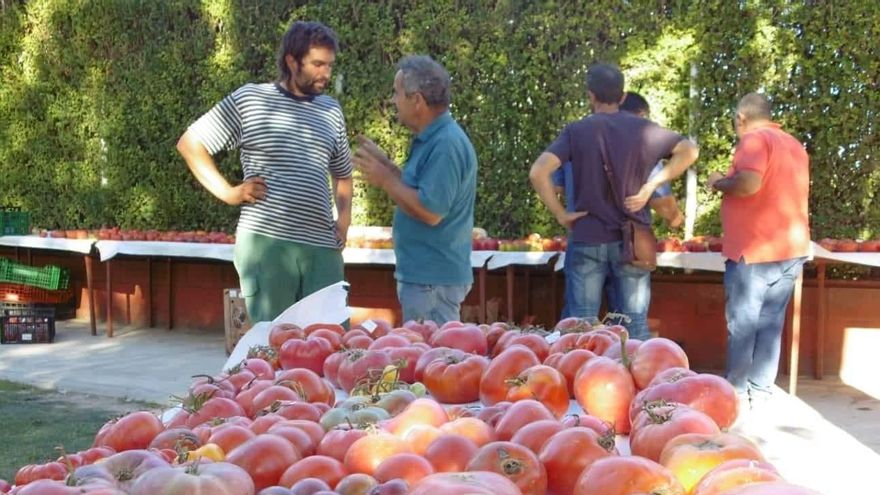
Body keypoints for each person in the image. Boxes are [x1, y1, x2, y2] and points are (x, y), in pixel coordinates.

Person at [176, 21, 353, 323]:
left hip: (322, 249)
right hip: (267, 245)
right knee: (273, 346)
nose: (326, 73)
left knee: (333, 342)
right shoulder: (251, 100)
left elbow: (343, 173)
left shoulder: (330, 110)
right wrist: (229, 193)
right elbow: (190, 143)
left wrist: (344, 220)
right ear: (291, 61)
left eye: (330, 65)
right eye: (317, 64)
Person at [530, 63, 699, 340]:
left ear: (590, 96)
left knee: (579, 326)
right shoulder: (644, 129)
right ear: (622, 97)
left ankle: (578, 378)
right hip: (633, 239)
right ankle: (639, 381)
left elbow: (538, 172)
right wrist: (651, 185)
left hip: (587, 235)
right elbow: (689, 151)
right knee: (635, 325)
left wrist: (561, 214)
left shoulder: (576, 131)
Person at [353, 55, 477, 325]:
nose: (394, 101)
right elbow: (419, 191)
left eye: (397, 93)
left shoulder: (446, 144)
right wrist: (386, 166)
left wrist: (386, 179)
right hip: (426, 279)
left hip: (433, 281)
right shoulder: (433, 139)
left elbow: (431, 210)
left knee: (434, 362)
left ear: (417, 100)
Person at [707, 92, 810, 410]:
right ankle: (761, 392)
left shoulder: (754, 140)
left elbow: (749, 184)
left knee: (743, 322)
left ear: (741, 118)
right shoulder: (793, 145)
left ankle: (735, 394)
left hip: (755, 250)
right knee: (770, 322)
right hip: (790, 249)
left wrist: (719, 182)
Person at [555, 91, 685, 320]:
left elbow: (556, 185)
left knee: (580, 322)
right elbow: (662, 203)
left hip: (585, 236)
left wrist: (565, 211)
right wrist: (675, 218)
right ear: (640, 114)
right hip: (627, 242)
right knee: (631, 322)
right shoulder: (638, 142)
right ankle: (630, 356)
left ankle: (577, 356)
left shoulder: (577, 136)